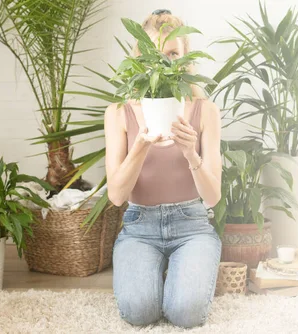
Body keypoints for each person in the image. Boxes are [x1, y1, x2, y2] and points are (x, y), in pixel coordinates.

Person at [104, 9, 223, 329]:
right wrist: (140, 146)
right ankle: (158, 272)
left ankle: (181, 272)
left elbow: (212, 198)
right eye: (155, 54)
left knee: (187, 313)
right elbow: (116, 196)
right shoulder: (118, 112)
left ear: (185, 59)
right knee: (139, 312)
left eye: (172, 53)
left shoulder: (205, 111)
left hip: (192, 226)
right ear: (140, 58)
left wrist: (190, 152)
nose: (164, 62)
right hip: (139, 227)